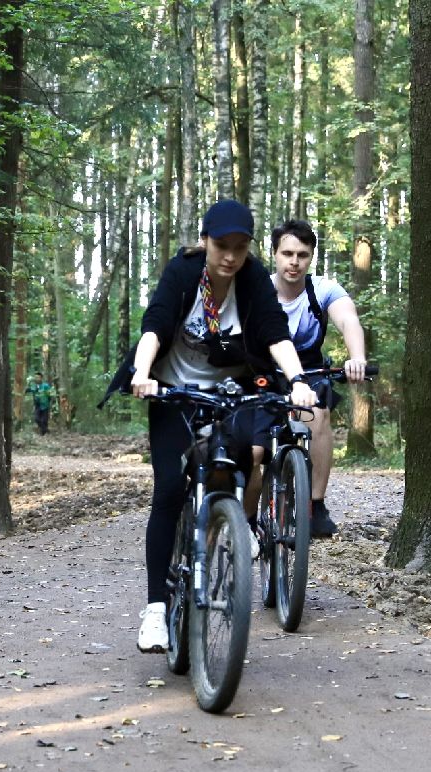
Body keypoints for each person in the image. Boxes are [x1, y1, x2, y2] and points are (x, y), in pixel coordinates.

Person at [129, 199, 318, 653]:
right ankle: (156, 609)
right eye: (221, 246)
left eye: (239, 247)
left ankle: (220, 530)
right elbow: (154, 325)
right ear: (205, 242)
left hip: (229, 390)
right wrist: (141, 373)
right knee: (171, 489)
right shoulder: (184, 273)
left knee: (232, 469)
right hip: (173, 389)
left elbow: (275, 334)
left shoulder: (251, 279)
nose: (230, 257)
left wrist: (297, 380)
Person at [268, 219, 369, 538]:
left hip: (310, 371)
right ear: (274, 255)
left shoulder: (323, 290)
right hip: (265, 372)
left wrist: (357, 358)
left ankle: (316, 504)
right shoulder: (260, 290)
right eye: (287, 253)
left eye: (302, 255)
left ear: (311, 257)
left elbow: (348, 320)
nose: (294, 262)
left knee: (319, 415)